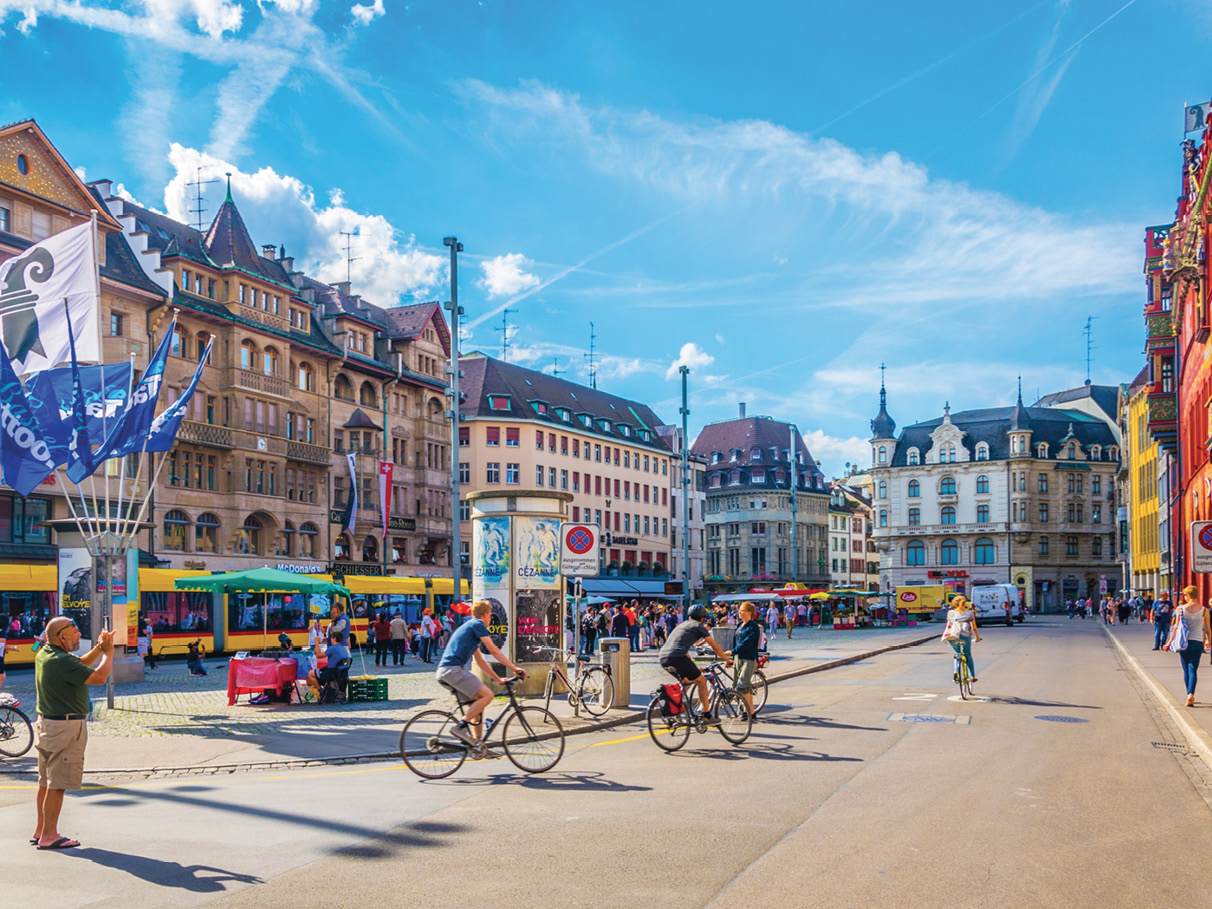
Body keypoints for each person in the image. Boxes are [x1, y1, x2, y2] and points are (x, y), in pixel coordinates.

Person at [32, 617, 114, 850]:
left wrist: (99, 647)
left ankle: (41, 830)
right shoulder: (60, 661)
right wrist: (108, 653)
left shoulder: (47, 654)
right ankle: (49, 836)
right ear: (62, 636)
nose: (79, 635)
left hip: (48, 726)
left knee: (46, 782)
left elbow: (78, 664)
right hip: (66, 729)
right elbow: (98, 678)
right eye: (76, 632)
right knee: (58, 783)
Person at [436, 600, 527, 756]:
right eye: (490, 615)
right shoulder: (477, 625)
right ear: (485, 615)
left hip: (445, 672)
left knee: (477, 706)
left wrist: (499, 680)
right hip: (453, 670)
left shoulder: (470, 628)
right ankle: (460, 727)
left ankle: (478, 747)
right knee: (488, 695)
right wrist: (514, 668)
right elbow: (493, 650)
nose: (490, 619)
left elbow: (481, 662)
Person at [658, 604, 732, 716]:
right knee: (702, 681)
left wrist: (692, 666)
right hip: (677, 657)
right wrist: (727, 660)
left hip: (663, 657)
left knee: (686, 681)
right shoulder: (698, 626)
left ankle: (674, 707)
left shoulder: (681, 626)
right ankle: (706, 714)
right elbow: (715, 646)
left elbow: (681, 648)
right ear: (702, 618)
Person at [1164, 586, 1212, 707]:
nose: (1184, 597)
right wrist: (1208, 640)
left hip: (1183, 642)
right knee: (1193, 669)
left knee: (1186, 669)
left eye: (1185, 595)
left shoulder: (1181, 609)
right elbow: (1208, 629)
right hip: (1197, 642)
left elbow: (1175, 627)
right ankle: (1191, 694)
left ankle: (1188, 694)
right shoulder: (1204, 610)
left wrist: (1169, 643)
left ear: (1188, 595)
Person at [728, 602, 761, 716]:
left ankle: (746, 710)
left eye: (742, 610)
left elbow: (746, 643)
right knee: (743, 685)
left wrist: (733, 651)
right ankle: (751, 711)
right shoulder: (740, 625)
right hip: (738, 658)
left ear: (749, 612)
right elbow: (735, 641)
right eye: (739, 610)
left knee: (742, 685)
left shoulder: (753, 627)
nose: (739, 612)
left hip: (749, 659)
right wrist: (732, 658)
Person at [945, 595, 981, 683]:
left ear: (954, 603)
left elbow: (949, 626)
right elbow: (974, 627)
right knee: (967, 654)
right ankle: (972, 676)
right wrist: (977, 637)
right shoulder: (969, 613)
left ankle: (956, 671)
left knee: (957, 654)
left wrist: (947, 638)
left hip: (953, 636)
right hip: (966, 635)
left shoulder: (950, 613)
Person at [307, 631, 351, 702]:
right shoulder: (344, 648)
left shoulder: (332, 648)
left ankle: (320, 691)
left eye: (331, 638)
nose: (330, 640)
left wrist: (317, 642)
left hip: (330, 673)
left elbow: (318, 655)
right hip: (341, 673)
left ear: (334, 638)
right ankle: (327, 693)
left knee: (310, 674)